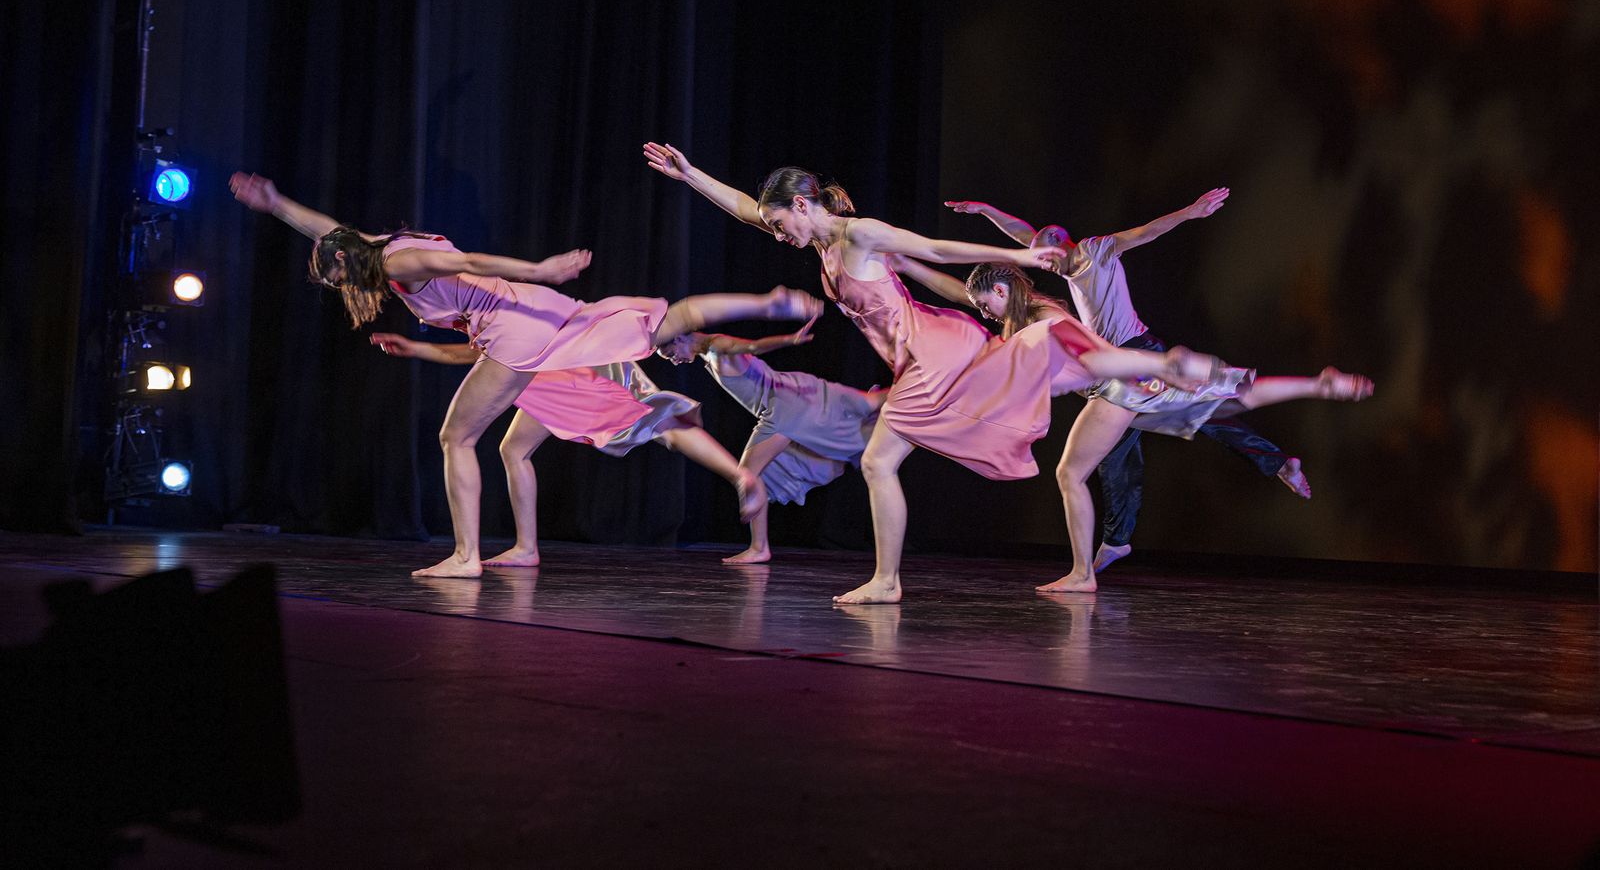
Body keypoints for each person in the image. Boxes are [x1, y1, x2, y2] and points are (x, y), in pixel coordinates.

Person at [644, 143, 1222, 603]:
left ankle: (887, 582)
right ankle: (1150, 365)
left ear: (801, 206)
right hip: (920, 356)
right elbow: (748, 207)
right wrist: (690, 174)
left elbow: (935, 248)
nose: (775, 233)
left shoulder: (859, 235)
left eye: (779, 222)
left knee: (877, 460)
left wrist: (1019, 259)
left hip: (929, 352)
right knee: (932, 431)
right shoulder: (820, 247)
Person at [230, 171, 821, 577]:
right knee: (663, 324)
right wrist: (275, 203)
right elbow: (325, 228)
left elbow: (464, 261)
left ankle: (465, 555)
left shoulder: (397, 260)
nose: (344, 290)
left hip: (517, 326)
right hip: (540, 317)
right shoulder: (372, 249)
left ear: (344, 263)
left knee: (455, 437)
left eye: (337, 280)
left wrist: (543, 268)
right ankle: (767, 303)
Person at [952, 260, 1372, 592]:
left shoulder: (1046, 316)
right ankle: (1319, 383)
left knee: (1070, 473)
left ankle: (1083, 573)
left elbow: (1093, 353)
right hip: (1126, 386)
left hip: (1116, 389)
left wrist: (1157, 366)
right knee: (1221, 405)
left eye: (985, 304)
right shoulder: (1024, 314)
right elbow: (958, 293)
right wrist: (912, 265)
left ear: (1002, 291)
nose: (984, 313)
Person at [946, 192, 1310, 572]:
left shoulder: (1096, 251)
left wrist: (1189, 212)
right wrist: (986, 211)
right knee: (1117, 454)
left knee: (1206, 413)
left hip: (1135, 355)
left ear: (1061, 244)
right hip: (1110, 369)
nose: (1044, 266)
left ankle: (1279, 461)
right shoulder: (1063, 262)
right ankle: (1117, 540)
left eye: (1046, 257)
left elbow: (1145, 232)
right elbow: (1025, 235)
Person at [371, 332, 769, 567]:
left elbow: (469, 354)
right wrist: (414, 347)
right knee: (514, 450)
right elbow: (471, 354)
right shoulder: (489, 324)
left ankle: (740, 475)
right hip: (547, 375)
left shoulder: (496, 317)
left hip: (562, 374)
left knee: (652, 421)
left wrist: (415, 347)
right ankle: (526, 548)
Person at [657, 318, 887, 564]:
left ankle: (759, 548)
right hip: (792, 394)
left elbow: (754, 346)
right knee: (869, 403)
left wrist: (789, 340)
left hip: (781, 411)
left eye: (671, 353)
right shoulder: (709, 352)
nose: (674, 360)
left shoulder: (717, 346)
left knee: (747, 475)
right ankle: (759, 547)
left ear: (680, 337)